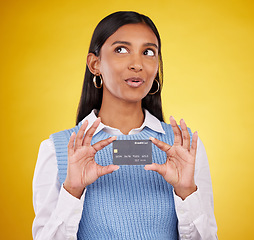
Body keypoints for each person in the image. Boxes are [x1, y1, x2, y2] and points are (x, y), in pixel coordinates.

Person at [32, 11, 218, 240]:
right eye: (121, 49)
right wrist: (72, 191)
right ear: (95, 63)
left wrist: (186, 192)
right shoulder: (58, 149)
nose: (137, 64)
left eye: (148, 52)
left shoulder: (185, 148)